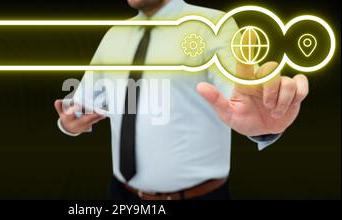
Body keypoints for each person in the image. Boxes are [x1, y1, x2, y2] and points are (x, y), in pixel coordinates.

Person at [54, 0, 309, 200]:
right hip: (121, 196)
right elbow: (82, 103)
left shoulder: (212, 25)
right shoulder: (113, 36)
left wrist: (264, 125)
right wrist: (69, 125)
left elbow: (239, 95)